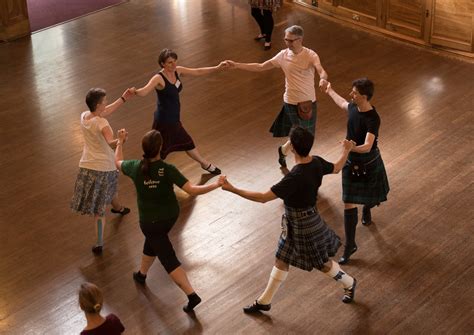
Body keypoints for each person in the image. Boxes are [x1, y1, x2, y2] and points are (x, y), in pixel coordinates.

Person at [222, 126, 357, 313]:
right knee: (281, 259)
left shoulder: (295, 177)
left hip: (304, 225)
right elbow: (336, 168)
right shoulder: (316, 162)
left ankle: (349, 283)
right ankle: (264, 301)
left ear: (292, 147)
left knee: (322, 263)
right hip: (296, 223)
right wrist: (346, 150)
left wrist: (232, 189)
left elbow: (262, 197)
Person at [115, 129, 225, 313]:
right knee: (154, 242)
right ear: (160, 148)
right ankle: (141, 274)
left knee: (168, 258)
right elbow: (192, 190)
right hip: (169, 218)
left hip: (150, 221)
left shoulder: (135, 167)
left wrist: (119, 142)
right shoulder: (167, 170)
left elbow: (117, 162)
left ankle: (192, 295)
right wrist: (215, 184)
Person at [226, 25, 328, 169]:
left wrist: (323, 79)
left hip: (308, 102)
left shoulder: (310, 55)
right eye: (286, 40)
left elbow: (321, 70)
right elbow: (261, 67)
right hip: (291, 102)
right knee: (302, 137)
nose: (288, 43)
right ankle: (302, 166)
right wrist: (236, 65)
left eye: (291, 41)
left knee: (308, 135)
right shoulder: (283, 55)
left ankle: (283, 150)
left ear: (300, 39)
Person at [131, 48, 227, 175]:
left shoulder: (178, 71)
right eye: (170, 62)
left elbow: (197, 71)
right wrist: (135, 91)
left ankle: (204, 164)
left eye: (175, 61)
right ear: (162, 64)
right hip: (164, 120)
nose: (174, 64)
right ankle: (146, 170)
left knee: (185, 143)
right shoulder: (158, 78)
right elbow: (144, 91)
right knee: (159, 149)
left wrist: (217, 67)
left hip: (174, 118)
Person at [325, 78, 390, 264]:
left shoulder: (373, 118)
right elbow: (342, 103)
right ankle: (350, 245)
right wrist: (329, 90)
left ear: (363, 97)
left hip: (367, 161)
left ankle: (367, 208)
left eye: (354, 93)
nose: (351, 95)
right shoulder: (354, 108)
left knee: (368, 197)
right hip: (351, 160)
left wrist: (350, 147)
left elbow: (368, 146)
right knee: (348, 202)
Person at [71, 88, 134, 255]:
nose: (106, 103)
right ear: (98, 104)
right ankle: (99, 243)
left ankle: (118, 208)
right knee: (100, 209)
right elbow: (111, 143)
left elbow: (105, 111)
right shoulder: (102, 124)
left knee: (109, 190)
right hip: (104, 166)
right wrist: (121, 140)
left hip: (87, 164)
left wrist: (123, 98)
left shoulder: (84, 116)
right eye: (104, 101)